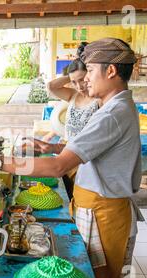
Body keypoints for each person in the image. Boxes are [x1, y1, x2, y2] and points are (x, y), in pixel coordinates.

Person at [0, 38, 141, 278]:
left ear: (111, 71)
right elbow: (83, 151)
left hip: (104, 213)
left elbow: (57, 167)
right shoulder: (113, 107)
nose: (86, 80)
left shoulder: (112, 114)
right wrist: (51, 147)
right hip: (99, 207)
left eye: (91, 70)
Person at [44, 43, 100, 200]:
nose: (79, 86)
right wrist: (72, 74)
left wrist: (80, 73)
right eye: (74, 82)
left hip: (85, 160)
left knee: (81, 198)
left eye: (82, 80)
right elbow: (51, 86)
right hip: (66, 152)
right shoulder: (73, 95)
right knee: (67, 197)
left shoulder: (99, 99)